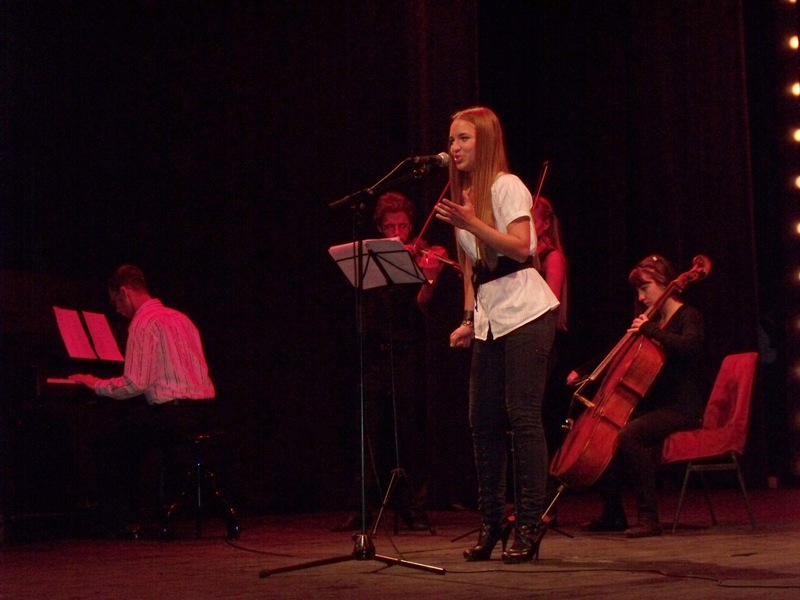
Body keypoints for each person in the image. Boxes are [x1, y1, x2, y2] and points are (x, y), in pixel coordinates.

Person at [435, 106, 560, 562]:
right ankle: (492, 522)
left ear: (484, 141)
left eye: (463, 138)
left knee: (522, 416)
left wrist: (472, 223)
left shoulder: (506, 186)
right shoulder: (464, 194)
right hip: (490, 317)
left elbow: (522, 246)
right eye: (452, 139)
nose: (454, 147)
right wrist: (468, 320)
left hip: (526, 311)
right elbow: (471, 268)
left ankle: (529, 522)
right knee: (482, 419)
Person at [70, 264, 216, 537]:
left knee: (107, 438)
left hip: (174, 416)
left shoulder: (143, 323)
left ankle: (118, 522)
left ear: (124, 292)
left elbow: (135, 383)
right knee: (128, 429)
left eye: (115, 302)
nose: (117, 309)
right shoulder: (181, 318)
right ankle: (138, 511)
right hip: (205, 412)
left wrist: (95, 384)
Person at [570, 254, 705, 538]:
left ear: (664, 281)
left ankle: (649, 518)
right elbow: (618, 350)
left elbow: (690, 347)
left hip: (682, 408)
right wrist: (583, 370)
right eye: (638, 291)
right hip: (658, 406)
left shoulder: (687, 316)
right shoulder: (653, 320)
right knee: (606, 434)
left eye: (645, 288)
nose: (641, 297)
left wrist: (650, 329)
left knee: (631, 435)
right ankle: (613, 513)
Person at [332, 191, 442, 532]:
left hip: (407, 351)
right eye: (390, 227)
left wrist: (430, 277)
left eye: (403, 226)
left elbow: (423, 305)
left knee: (407, 430)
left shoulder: (422, 254)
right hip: (373, 351)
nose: (397, 232)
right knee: (370, 429)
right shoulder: (372, 257)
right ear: (380, 228)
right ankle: (362, 506)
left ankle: (412, 506)